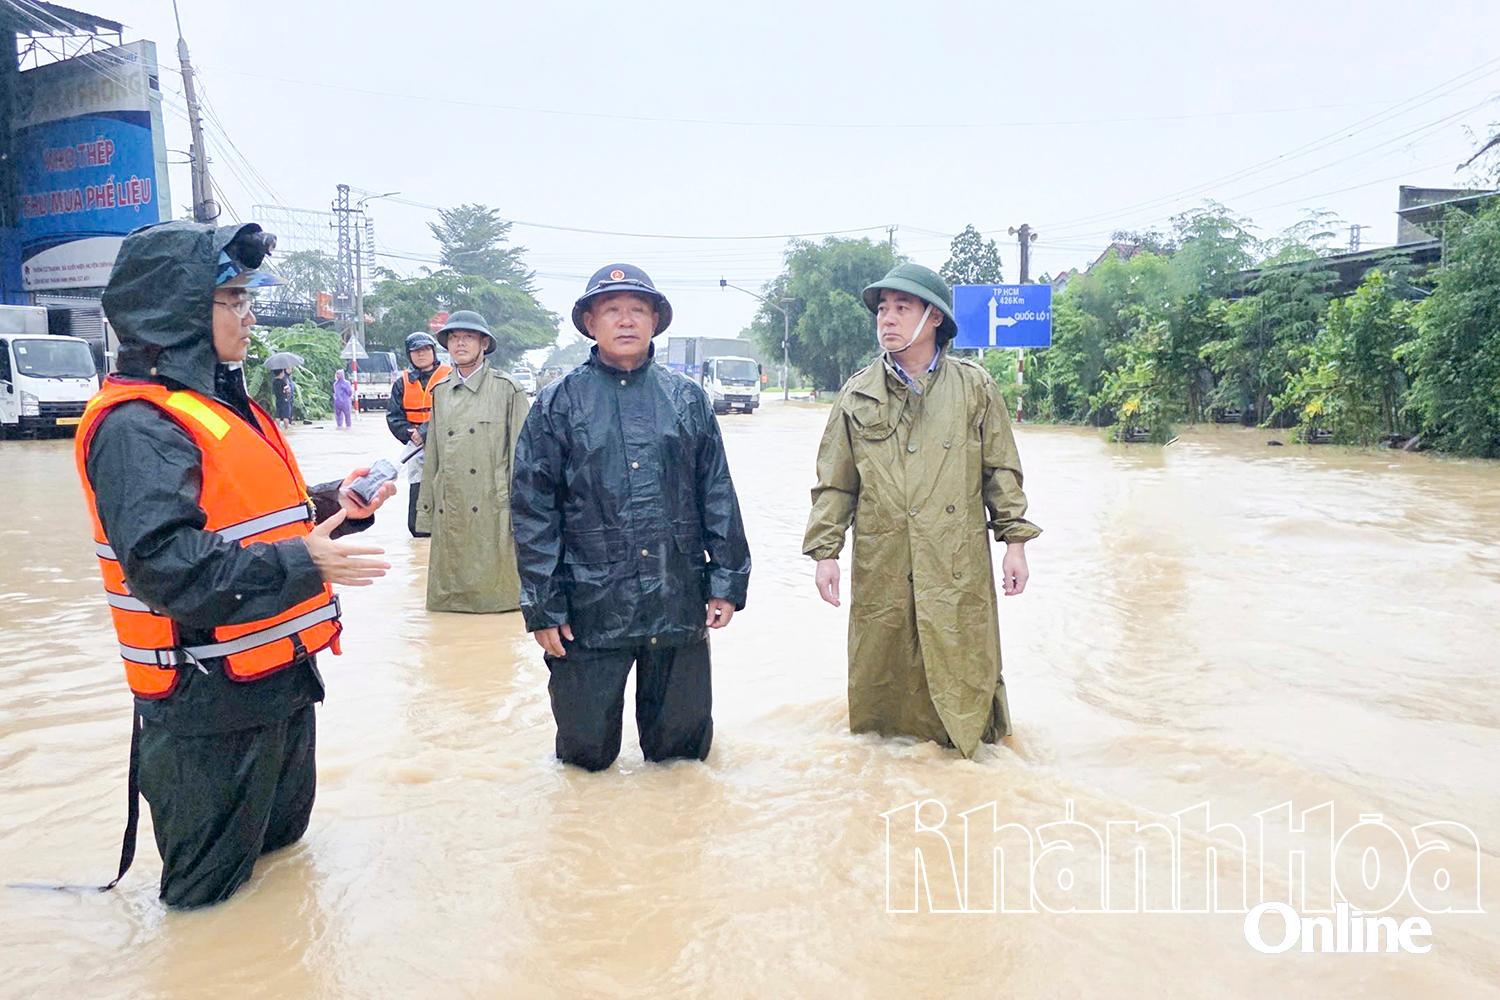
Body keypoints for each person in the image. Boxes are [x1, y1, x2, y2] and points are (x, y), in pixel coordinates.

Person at [73, 219, 396, 909]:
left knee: (279, 882)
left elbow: (252, 521)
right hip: (206, 710)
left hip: (277, 684)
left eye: (248, 299)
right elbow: (172, 571)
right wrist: (304, 561)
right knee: (207, 910)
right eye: (233, 300)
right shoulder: (140, 426)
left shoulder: (225, 408)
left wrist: (333, 503)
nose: (250, 317)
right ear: (177, 306)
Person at [512, 264, 751, 772]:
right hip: (589, 606)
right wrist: (543, 605)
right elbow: (533, 510)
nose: (625, 320)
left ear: (654, 321)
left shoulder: (687, 400)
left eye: (637, 310)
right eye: (612, 310)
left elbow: (718, 494)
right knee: (583, 760)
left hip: (676, 596)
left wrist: (726, 580)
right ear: (590, 323)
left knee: (682, 761)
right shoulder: (558, 404)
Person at [802, 263, 1040, 760]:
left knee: (962, 665)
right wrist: (826, 552)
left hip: (955, 561)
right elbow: (835, 483)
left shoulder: (974, 387)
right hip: (883, 561)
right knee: (883, 688)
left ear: (933, 317)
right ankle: (886, 774)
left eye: (901, 308)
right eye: (882, 309)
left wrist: (1014, 542)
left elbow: (1001, 470)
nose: (887, 319)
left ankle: (965, 761)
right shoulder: (856, 393)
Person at [415, 311, 529, 612]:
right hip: (451, 510)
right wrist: (425, 512)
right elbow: (434, 459)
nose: (460, 343)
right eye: (453, 337)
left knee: (499, 608)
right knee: (447, 618)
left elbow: (524, 458)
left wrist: (525, 514)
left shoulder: (508, 389)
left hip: (493, 508)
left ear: (484, 343)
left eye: (468, 337)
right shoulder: (440, 392)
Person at [386, 331, 453, 537]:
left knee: (450, 481)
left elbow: (457, 409)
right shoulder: (402, 383)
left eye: (425, 350)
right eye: (416, 351)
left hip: (448, 439)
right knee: (417, 483)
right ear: (410, 354)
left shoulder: (451, 376)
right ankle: (420, 529)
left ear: (433, 351)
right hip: (416, 445)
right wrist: (411, 434)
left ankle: (451, 527)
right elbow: (393, 417)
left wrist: (425, 431)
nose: (421, 354)